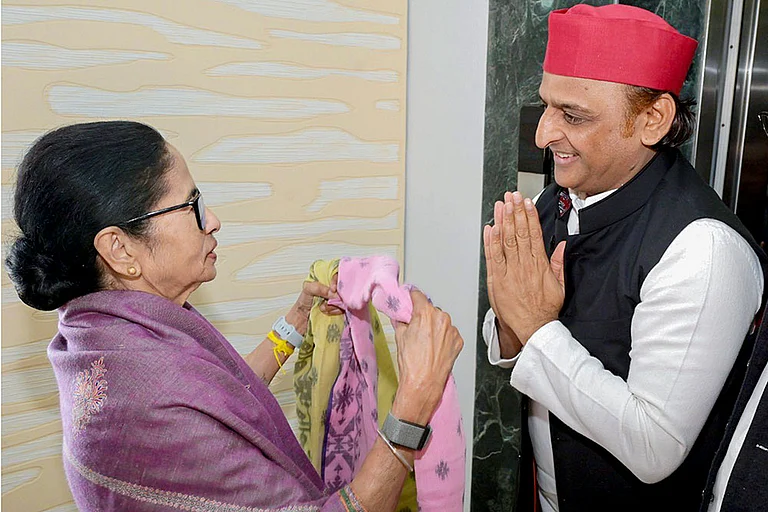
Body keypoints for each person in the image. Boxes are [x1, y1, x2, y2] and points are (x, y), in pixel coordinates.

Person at [5, 120, 464, 512]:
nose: (213, 220)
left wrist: (295, 323)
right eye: (192, 206)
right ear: (120, 249)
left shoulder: (103, 337)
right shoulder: (151, 399)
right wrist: (414, 404)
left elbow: (220, 400)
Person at [481, 4, 766, 511]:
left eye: (573, 116)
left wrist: (533, 326)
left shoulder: (702, 251)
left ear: (652, 119)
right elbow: (512, 329)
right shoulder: (559, 198)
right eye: (546, 105)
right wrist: (510, 320)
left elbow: (654, 445)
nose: (543, 135)